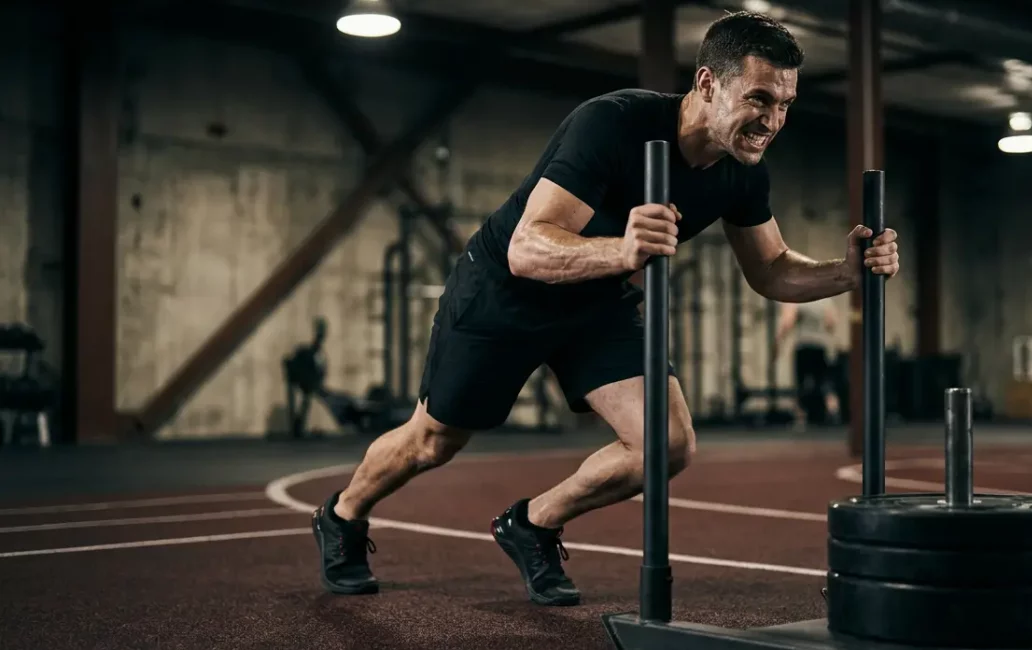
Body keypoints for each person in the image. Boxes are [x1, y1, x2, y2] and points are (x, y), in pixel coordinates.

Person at [310, 11, 901, 606]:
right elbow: (526, 247)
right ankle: (342, 514)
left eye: (785, 104)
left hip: (596, 300)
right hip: (505, 291)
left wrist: (846, 272)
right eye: (759, 99)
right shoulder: (613, 123)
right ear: (707, 83)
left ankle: (532, 523)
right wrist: (622, 249)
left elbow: (770, 269)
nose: (772, 121)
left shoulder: (741, 173)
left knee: (665, 443)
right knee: (433, 442)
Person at [775, 297, 841, 425]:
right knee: (822, 381)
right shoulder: (825, 299)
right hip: (820, 346)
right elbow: (831, 322)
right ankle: (829, 412)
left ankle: (802, 416)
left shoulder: (799, 298)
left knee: (802, 383)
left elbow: (788, 322)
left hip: (804, 345)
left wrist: (779, 341)